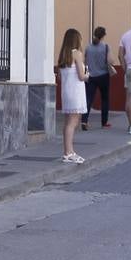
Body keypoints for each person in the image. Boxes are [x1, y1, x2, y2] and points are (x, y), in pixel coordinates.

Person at [58, 28, 89, 163]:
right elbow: (81, 76)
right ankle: (69, 152)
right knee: (73, 122)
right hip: (76, 92)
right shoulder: (77, 54)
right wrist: (88, 75)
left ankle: (68, 151)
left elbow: (59, 76)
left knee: (67, 123)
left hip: (66, 91)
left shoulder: (63, 55)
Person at [82, 27, 112, 130]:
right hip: (103, 75)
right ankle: (104, 122)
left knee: (88, 99)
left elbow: (85, 62)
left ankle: (84, 121)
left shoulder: (88, 47)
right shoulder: (106, 47)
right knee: (105, 99)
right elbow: (109, 61)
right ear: (104, 35)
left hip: (91, 76)